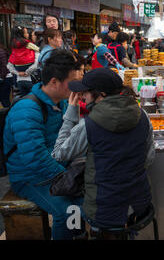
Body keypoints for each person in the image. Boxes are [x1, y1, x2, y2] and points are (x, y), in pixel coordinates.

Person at [51, 68, 155, 237]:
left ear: (102, 95)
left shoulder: (89, 125)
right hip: (139, 204)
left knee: (69, 207)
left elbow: (58, 154)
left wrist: (71, 112)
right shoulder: (142, 115)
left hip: (103, 212)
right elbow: (149, 157)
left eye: (85, 92)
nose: (82, 96)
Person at [3, 49, 85, 240]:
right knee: (66, 212)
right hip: (29, 176)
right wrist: (67, 179)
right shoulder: (26, 110)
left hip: (57, 168)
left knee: (88, 199)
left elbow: (69, 138)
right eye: (72, 82)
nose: (77, 86)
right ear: (54, 82)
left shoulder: (63, 101)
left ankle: (78, 234)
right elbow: (35, 157)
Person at [7, 26, 40, 96]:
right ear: (22, 34)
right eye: (26, 33)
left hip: (19, 78)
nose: (28, 34)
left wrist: (18, 73)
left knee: (24, 97)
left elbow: (9, 65)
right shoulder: (27, 43)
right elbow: (38, 49)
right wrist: (27, 72)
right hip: (30, 76)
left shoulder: (13, 45)